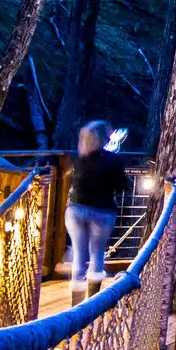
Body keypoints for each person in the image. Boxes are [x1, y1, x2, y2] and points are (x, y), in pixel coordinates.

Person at [68, 121, 128, 286]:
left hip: (77, 209)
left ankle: (76, 301)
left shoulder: (79, 158)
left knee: (79, 254)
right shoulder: (114, 160)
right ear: (105, 140)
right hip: (102, 210)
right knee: (97, 252)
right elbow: (121, 186)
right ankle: (93, 299)